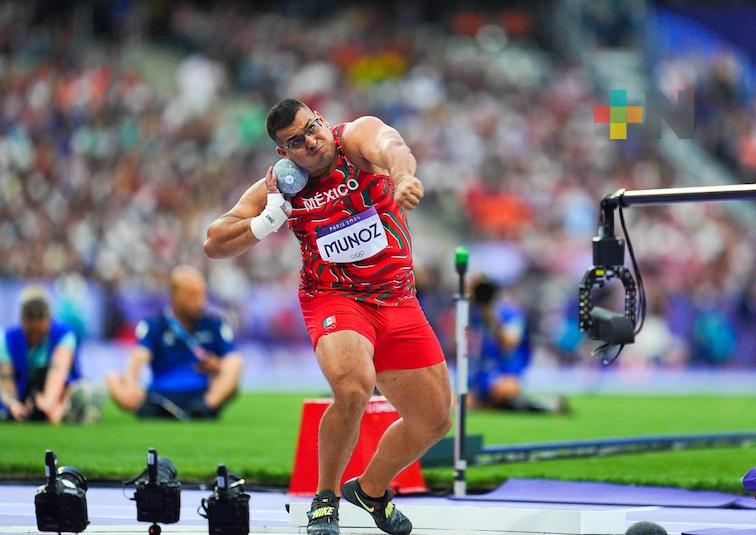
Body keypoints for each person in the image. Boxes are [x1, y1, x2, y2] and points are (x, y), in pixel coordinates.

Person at [204, 99, 452, 535]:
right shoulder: (279, 187)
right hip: (334, 297)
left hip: (397, 298)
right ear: (284, 154)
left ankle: (370, 490)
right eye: (296, 142)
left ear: (320, 120)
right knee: (353, 388)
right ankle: (324, 499)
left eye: (312, 128)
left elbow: (392, 145)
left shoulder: (354, 140)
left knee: (435, 420)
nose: (311, 142)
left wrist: (402, 176)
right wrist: (268, 219)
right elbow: (214, 243)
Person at [106, 265, 243, 420]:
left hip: (202, 394)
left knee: (235, 361)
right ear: (176, 295)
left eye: (202, 295)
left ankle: (205, 407)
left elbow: (231, 361)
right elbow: (139, 357)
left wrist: (216, 366)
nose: (200, 301)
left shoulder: (214, 324)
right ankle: (170, 410)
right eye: (193, 295)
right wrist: (131, 384)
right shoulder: (155, 325)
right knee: (112, 379)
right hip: (161, 396)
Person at [0, 286, 101, 424]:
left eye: (40, 331)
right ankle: (67, 413)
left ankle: (64, 411)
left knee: (78, 391)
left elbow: (58, 375)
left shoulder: (64, 336)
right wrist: (13, 405)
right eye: (30, 332)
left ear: (49, 320)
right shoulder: (4, 339)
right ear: (22, 321)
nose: (35, 336)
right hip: (22, 394)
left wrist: (45, 404)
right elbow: (6, 383)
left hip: (56, 391)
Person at [469, 276, 568, 414]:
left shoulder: (510, 313)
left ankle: (542, 405)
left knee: (503, 391)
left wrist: (491, 319)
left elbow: (510, 342)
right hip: (480, 374)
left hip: (505, 373)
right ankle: (543, 405)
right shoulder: (471, 314)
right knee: (459, 401)